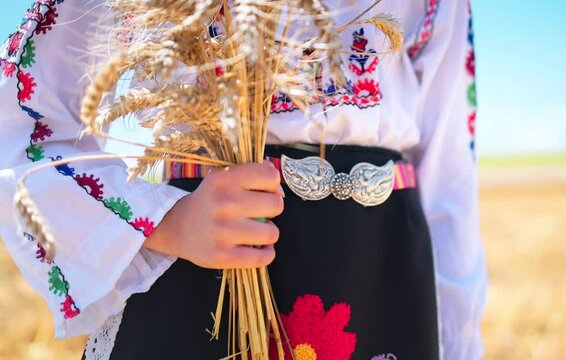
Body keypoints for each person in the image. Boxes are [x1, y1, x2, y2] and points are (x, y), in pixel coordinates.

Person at [0, 0, 487, 359]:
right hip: (204, 274)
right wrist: (165, 222)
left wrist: (459, 339)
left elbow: (448, 176)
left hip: (382, 276)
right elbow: (25, 124)